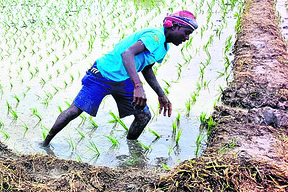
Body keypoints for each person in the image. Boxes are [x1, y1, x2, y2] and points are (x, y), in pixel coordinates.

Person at [42, 11, 199, 146]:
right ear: (174, 27)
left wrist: (161, 94)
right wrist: (138, 86)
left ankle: (131, 150)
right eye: (186, 33)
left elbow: (147, 68)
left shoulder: (164, 46)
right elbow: (127, 53)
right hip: (102, 75)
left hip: (123, 79)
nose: (186, 38)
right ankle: (45, 143)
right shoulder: (156, 36)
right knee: (75, 111)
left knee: (143, 116)